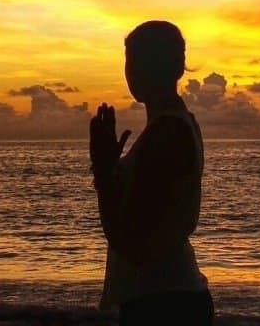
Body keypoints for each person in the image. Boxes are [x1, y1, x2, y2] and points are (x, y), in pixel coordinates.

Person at [90, 20, 213, 325]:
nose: (132, 71)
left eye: (139, 61)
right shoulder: (171, 126)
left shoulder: (167, 133)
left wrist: (104, 174)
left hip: (163, 303)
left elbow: (128, 239)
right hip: (161, 296)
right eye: (130, 61)